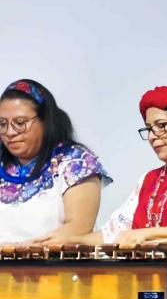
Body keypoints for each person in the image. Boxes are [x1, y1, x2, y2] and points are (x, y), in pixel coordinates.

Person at [40, 86, 167, 245]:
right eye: (148, 129)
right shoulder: (149, 180)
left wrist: (144, 234)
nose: (152, 136)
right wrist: (71, 241)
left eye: (162, 126)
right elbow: (113, 233)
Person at [0, 79, 110, 243]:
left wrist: (21, 251)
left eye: (20, 123)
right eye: (2, 124)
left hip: (54, 266)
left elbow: (77, 229)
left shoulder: (75, 162)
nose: (9, 132)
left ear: (45, 121)